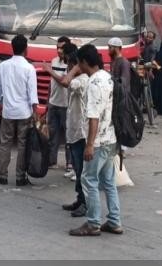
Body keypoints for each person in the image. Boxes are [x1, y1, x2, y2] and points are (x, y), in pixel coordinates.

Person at [69, 44, 122, 237]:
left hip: (98, 141)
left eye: (79, 63)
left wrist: (90, 145)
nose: (78, 67)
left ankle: (93, 223)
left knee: (89, 179)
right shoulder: (107, 77)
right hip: (111, 138)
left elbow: (93, 117)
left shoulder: (93, 84)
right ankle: (114, 221)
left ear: (84, 62)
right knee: (108, 181)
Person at [0, 34, 38, 185]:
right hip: (24, 112)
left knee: (5, 143)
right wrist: (35, 111)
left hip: (8, 111)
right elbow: (32, 93)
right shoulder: (29, 68)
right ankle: (20, 176)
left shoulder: (3, 66)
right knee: (22, 144)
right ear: (26, 49)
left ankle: (2, 175)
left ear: (12, 48)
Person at [61, 46, 89, 217]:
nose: (68, 68)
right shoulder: (80, 80)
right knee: (79, 170)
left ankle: (85, 203)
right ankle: (80, 199)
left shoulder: (82, 80)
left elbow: (65, 82)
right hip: (74, 131)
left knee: (82, 171)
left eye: (70, 65)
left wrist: (74, 69)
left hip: (80, 133)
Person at [46, 36, 71, 170]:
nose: (59, 50)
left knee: (68, 136)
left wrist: (50, 71)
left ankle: (70, 163)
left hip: (66, 105)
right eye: (57, 48)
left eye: (62, 48)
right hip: (53, 103)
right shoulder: (54, 61)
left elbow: (63, 81)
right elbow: (52, 84)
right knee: (52, 134)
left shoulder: (71, 64)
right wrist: (47, 101)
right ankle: (52, 161)